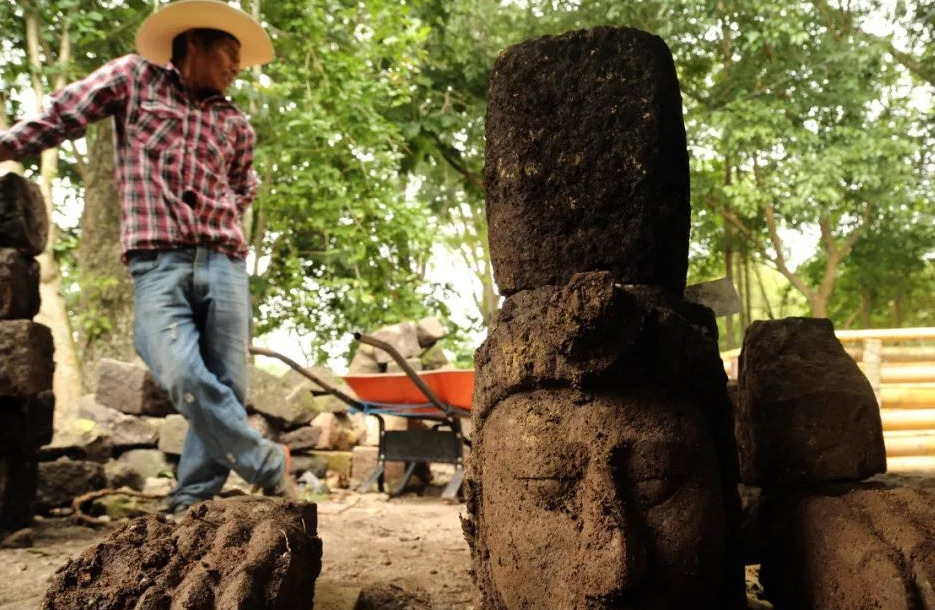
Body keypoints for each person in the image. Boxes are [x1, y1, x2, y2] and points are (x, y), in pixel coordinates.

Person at [0, 0, 296, 515]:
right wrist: (6, 146)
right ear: (194, 43)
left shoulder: (236, 123)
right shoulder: (133, 79)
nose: (236, 67)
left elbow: (243, 183)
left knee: (227, 382)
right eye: (229, 53)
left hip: (225, 262)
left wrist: (224, 209)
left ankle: (191, 504)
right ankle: (266, 463)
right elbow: (63, 112)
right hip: (158, 262)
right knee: (181, 372)